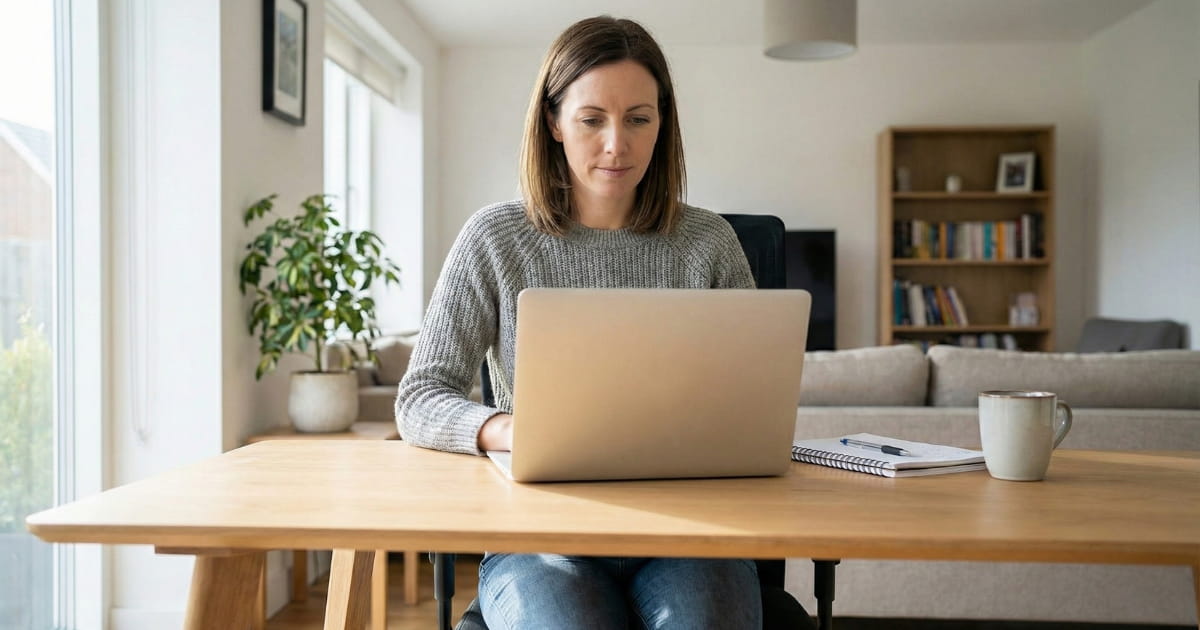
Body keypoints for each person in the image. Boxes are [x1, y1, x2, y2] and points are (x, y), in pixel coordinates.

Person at [396, 15, 761, 630]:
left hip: (693, 532)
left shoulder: (710, 243)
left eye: (638, 119)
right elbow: (420, 397)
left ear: (662, 124)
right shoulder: (496, 238)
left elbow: (757, 398)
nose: (617, 144)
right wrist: (512, 428)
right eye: (592, 119)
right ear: (553, 122)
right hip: (541, 536)